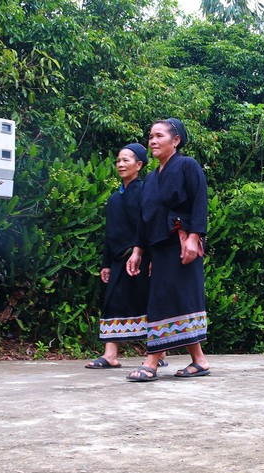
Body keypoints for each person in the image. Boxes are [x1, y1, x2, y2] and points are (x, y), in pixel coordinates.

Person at [125, 118, 210, 382]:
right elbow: (145, 217)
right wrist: (138, 251)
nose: (152, 141)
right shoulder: (150, 178)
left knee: (168, 300)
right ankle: (199, 360)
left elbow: (199, 202)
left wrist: (194, 238)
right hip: (160, 249)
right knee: (171, 300)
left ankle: (152, 360)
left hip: (183, 244)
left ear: (176, 140)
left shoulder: (187, 166)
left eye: (159, 136)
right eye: (150, 136)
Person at [86, 143, 166, 369]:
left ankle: (158, 354)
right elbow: (110, 232)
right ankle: (110, 354)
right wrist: (106, 264)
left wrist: (150, 257)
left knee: (150, 304)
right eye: (118, 161)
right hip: (118, 260)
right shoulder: (114, 198)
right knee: (111, 302)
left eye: (126, 160)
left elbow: (151, 225)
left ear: (139, 165)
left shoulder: (145, 192)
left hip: (142, 259)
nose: (120, 165)